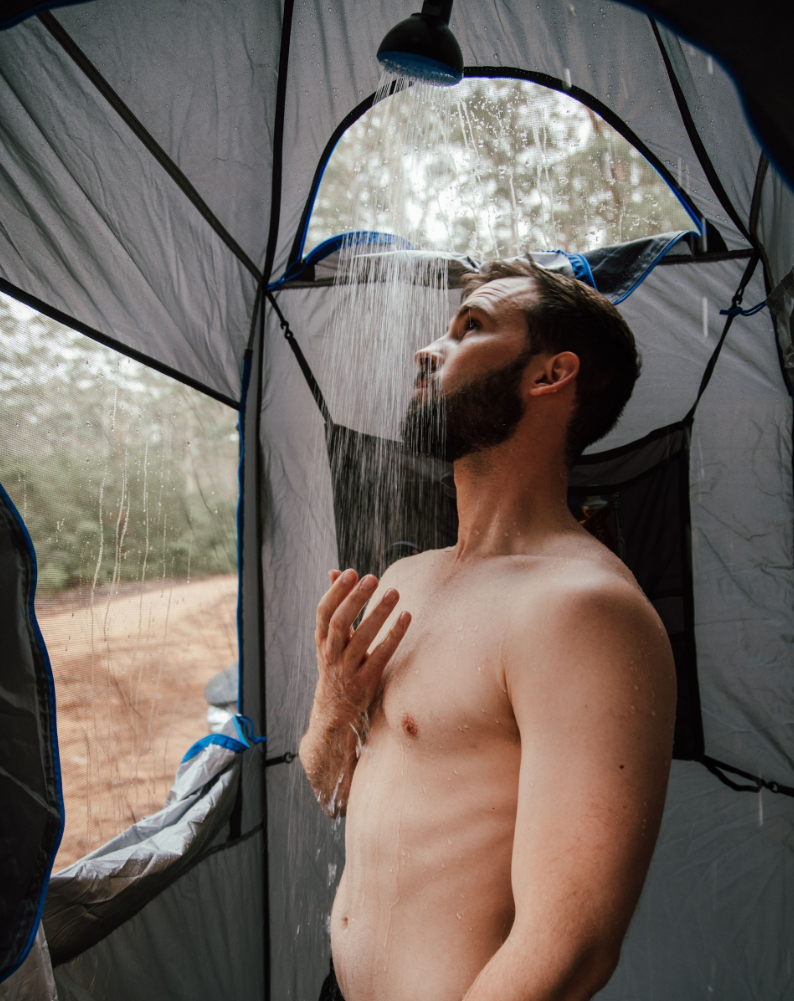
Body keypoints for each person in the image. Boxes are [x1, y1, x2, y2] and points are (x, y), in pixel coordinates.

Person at [299, 258, 677, 1001]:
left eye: (470, 328)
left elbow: (570, 949)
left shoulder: (585, 610)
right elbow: (332, 790)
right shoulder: (407, 579)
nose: (427, 349)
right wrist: (332, 708)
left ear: (550, 374)